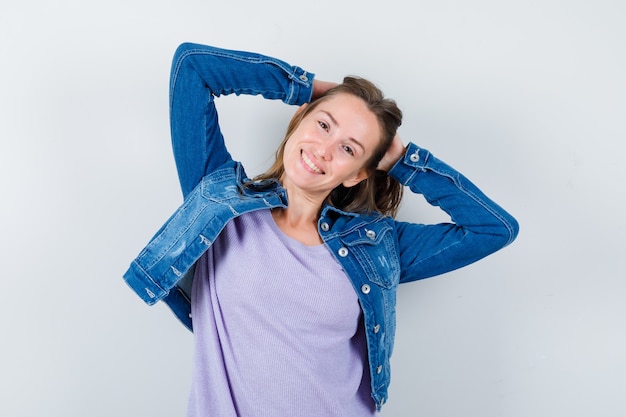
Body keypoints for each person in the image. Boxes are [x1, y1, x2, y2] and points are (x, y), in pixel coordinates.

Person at [124, 42, 519, 416]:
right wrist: (307, 87)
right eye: (324, 124)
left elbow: (493, 228)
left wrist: (403, 161)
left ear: (358, 174)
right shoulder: (220, 204)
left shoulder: (375, 246)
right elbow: (193, 66)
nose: (324, 149)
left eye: (349, 149)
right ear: (300, 118)